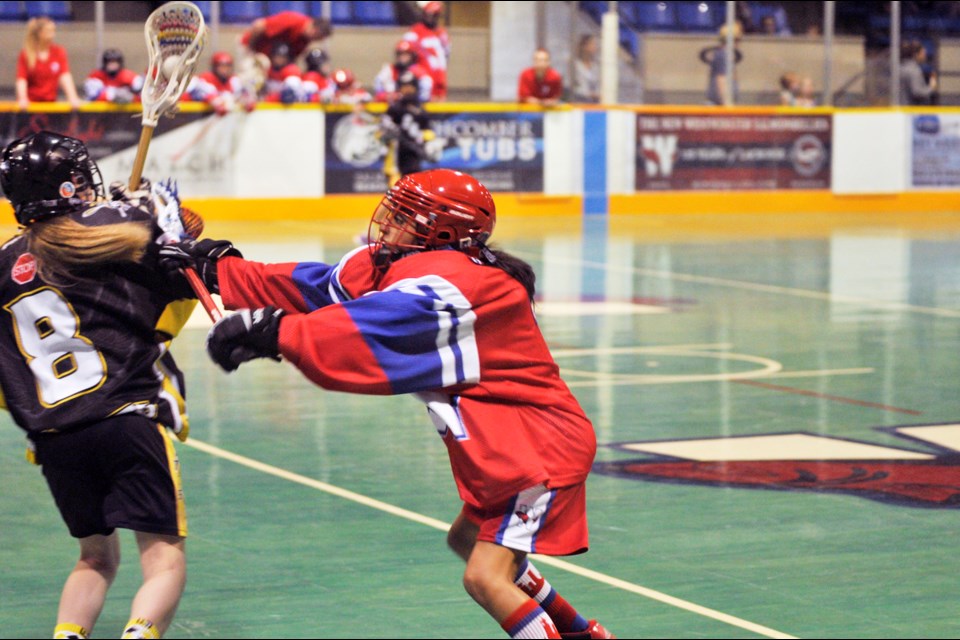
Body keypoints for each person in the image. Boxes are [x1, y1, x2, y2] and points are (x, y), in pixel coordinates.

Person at [158, 169, 616, 640]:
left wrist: (277, 332)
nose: (388, 221)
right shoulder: (404, 264)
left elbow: (368, 331)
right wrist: (222, 273)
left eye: (404, 215)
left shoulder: (462, 289)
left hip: (537, 449)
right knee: (465, 541)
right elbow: (319, 287)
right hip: (510, 447)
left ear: (440, 231)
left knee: (485, 577)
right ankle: (584, 632)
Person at [0, 131, 197, 639]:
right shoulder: (119, 226)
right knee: (163, 561)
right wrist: (169, 227)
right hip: (125, 418)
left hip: (55, 437)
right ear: (73, 183)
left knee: (93, 558)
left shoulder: (3, 264)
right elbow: (174, 303)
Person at [380, 71, 438, 186]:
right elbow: (383, 130)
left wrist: (423, 141)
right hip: (396, 153)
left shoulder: (421, 111)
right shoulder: (394, 109)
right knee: (394, 184)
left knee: (413, 182)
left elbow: (428, 131)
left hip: (413, 154)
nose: (407, 89)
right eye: (404, 87)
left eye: (410, 86)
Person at [15, 17, 82, 111]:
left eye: (53, 31)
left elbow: (64, 76)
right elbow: (21, 79)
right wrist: (22, 98)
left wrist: (72, 97)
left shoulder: (59, 52)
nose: (53, 34)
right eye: (49, 31)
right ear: (39, 33)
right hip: (31, 106)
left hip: (50, 105)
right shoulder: (26, 54)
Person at [403, 0, 450, 101]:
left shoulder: (442, 33)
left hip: (439, 78)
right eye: (429, 15)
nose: (431, 18)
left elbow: (445, 57)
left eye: (434, 15)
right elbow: (406, 57)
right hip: (423, 80)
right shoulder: (415, 32)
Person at [239, 10, 332, 61]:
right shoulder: (292, 20)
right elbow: (258, 26)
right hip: (251, 47)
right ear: (313, 28)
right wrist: (250, 49)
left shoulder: (306, 39)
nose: (314, 40)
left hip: (267, 57)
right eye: (316, 36)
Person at [188, 51, 256, 115]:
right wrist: (215, 101)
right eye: (221, 66)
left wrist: (247, 99)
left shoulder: (234, 80)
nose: (225, 70)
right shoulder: (206, 78)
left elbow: (243, 93)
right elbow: (202, 91)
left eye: (228, 66)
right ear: (214, 67)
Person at [373, 40, 433, 104]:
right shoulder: (389, 69)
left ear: (412, 56)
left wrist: (413, 97)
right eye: (400, 54)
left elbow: (425, 96)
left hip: (413, 105)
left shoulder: (418, 71)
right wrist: (389, 96)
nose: (402, 57)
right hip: (393, 107)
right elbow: (378, 91)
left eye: (405, 54)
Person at [704, 22, 743, 106]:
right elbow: (721, 79)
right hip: (718, 106)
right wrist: (726, 104)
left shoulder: (727, 55)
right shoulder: (723, 55)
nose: (739, 43)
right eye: (738, 40)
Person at [899, 40, 938, 105]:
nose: (925, 56)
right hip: (911, 111)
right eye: (923, 53)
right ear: (916, 55)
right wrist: (932, 87)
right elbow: (917, 92)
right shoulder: (914, 70)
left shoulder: (902, 66)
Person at [571, 34, 600, 103]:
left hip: (594, 104)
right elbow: (570, 87)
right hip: (578, 102)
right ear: (585, 46)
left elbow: (598, 84)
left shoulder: (596, 65)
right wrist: (588, 94)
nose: (595, 47)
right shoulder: (574, 65)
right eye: (592, 44)